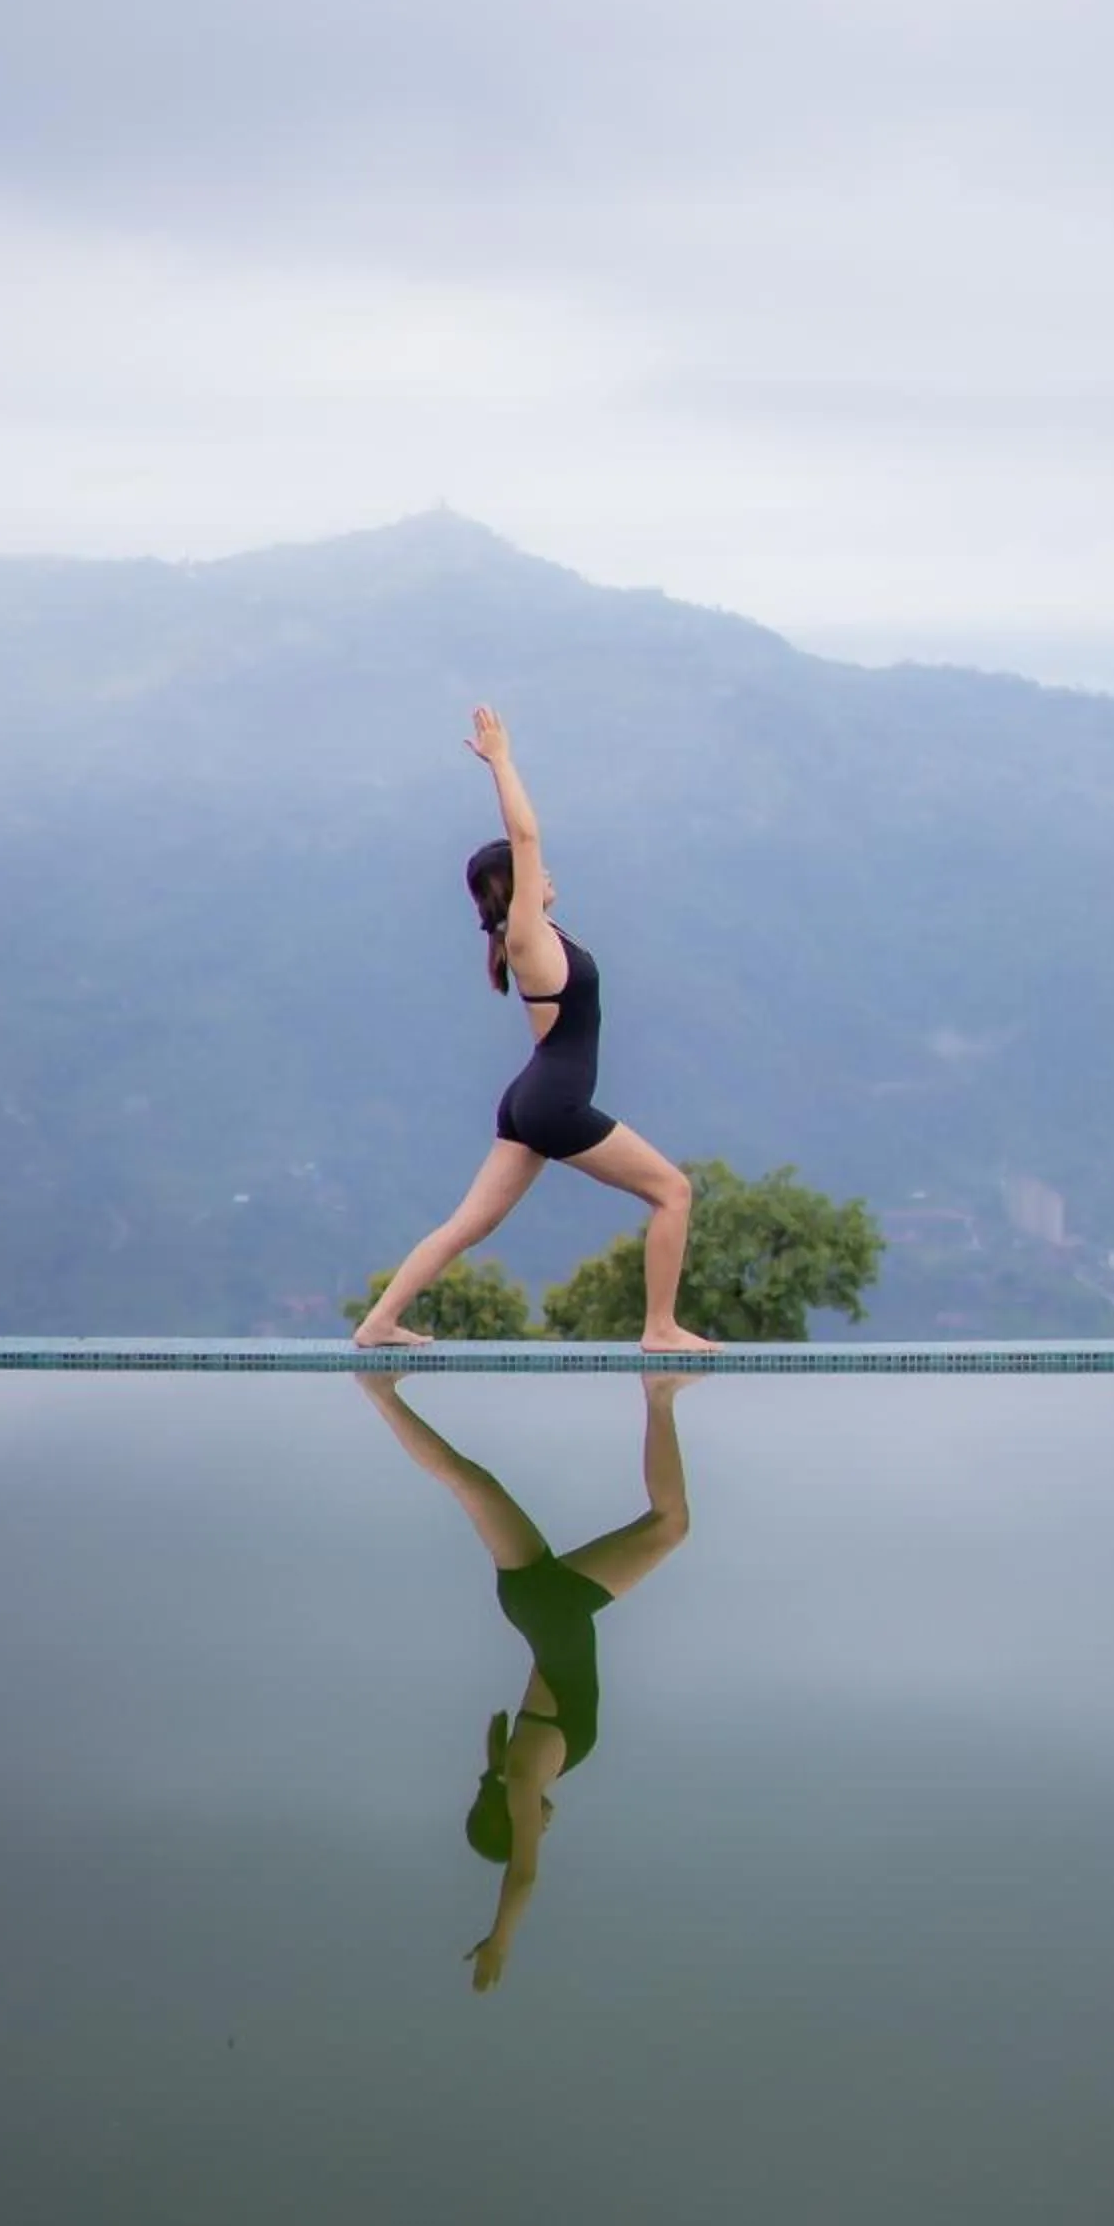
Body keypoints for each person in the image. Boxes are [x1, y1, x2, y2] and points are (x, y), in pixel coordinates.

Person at [351, 706, 713, 1352]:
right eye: (535, 872)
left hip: (533, 1099)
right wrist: (502, 762)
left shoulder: (539, 935)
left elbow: (528, 852)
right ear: (516, 888)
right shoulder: (525, 934)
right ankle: (660, 1328)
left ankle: (379, 1323)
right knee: (673, 1192)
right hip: (552, 1102)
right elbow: (524, 835)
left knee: (468, 1225)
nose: (547, 873)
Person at [356, 1368, 697, 1991]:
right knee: (474, 1482)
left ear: (511, 1821)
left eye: (525, 1831)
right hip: (541, 1604)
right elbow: (504, 1755)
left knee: (669, 1523)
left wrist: (500, 1943)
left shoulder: (526, 1775)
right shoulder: (517, 1766)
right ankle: (380, 1391)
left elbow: (524, 1876)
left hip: (552, 1606)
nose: (539, 1830)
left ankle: (659, 1392)